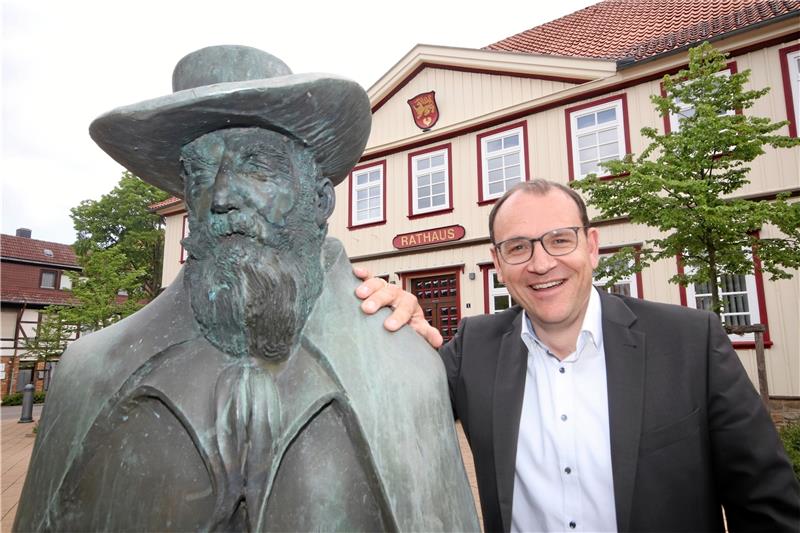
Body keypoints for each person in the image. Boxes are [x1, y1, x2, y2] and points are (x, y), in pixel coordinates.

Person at [14, 45, 479, 533]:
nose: (221, 197)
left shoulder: (404, 372)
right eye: (199, 174)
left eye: (257, 168)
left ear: (320, 200)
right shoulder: (88, 374)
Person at [357, 179, 800, 532]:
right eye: (518, 247)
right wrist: (383, 331)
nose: (541, 263)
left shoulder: (690, 341)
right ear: (497, 261)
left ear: (591, 246)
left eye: (560, 240)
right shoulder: (473, 348)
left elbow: (766, 505)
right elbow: (385, 417)